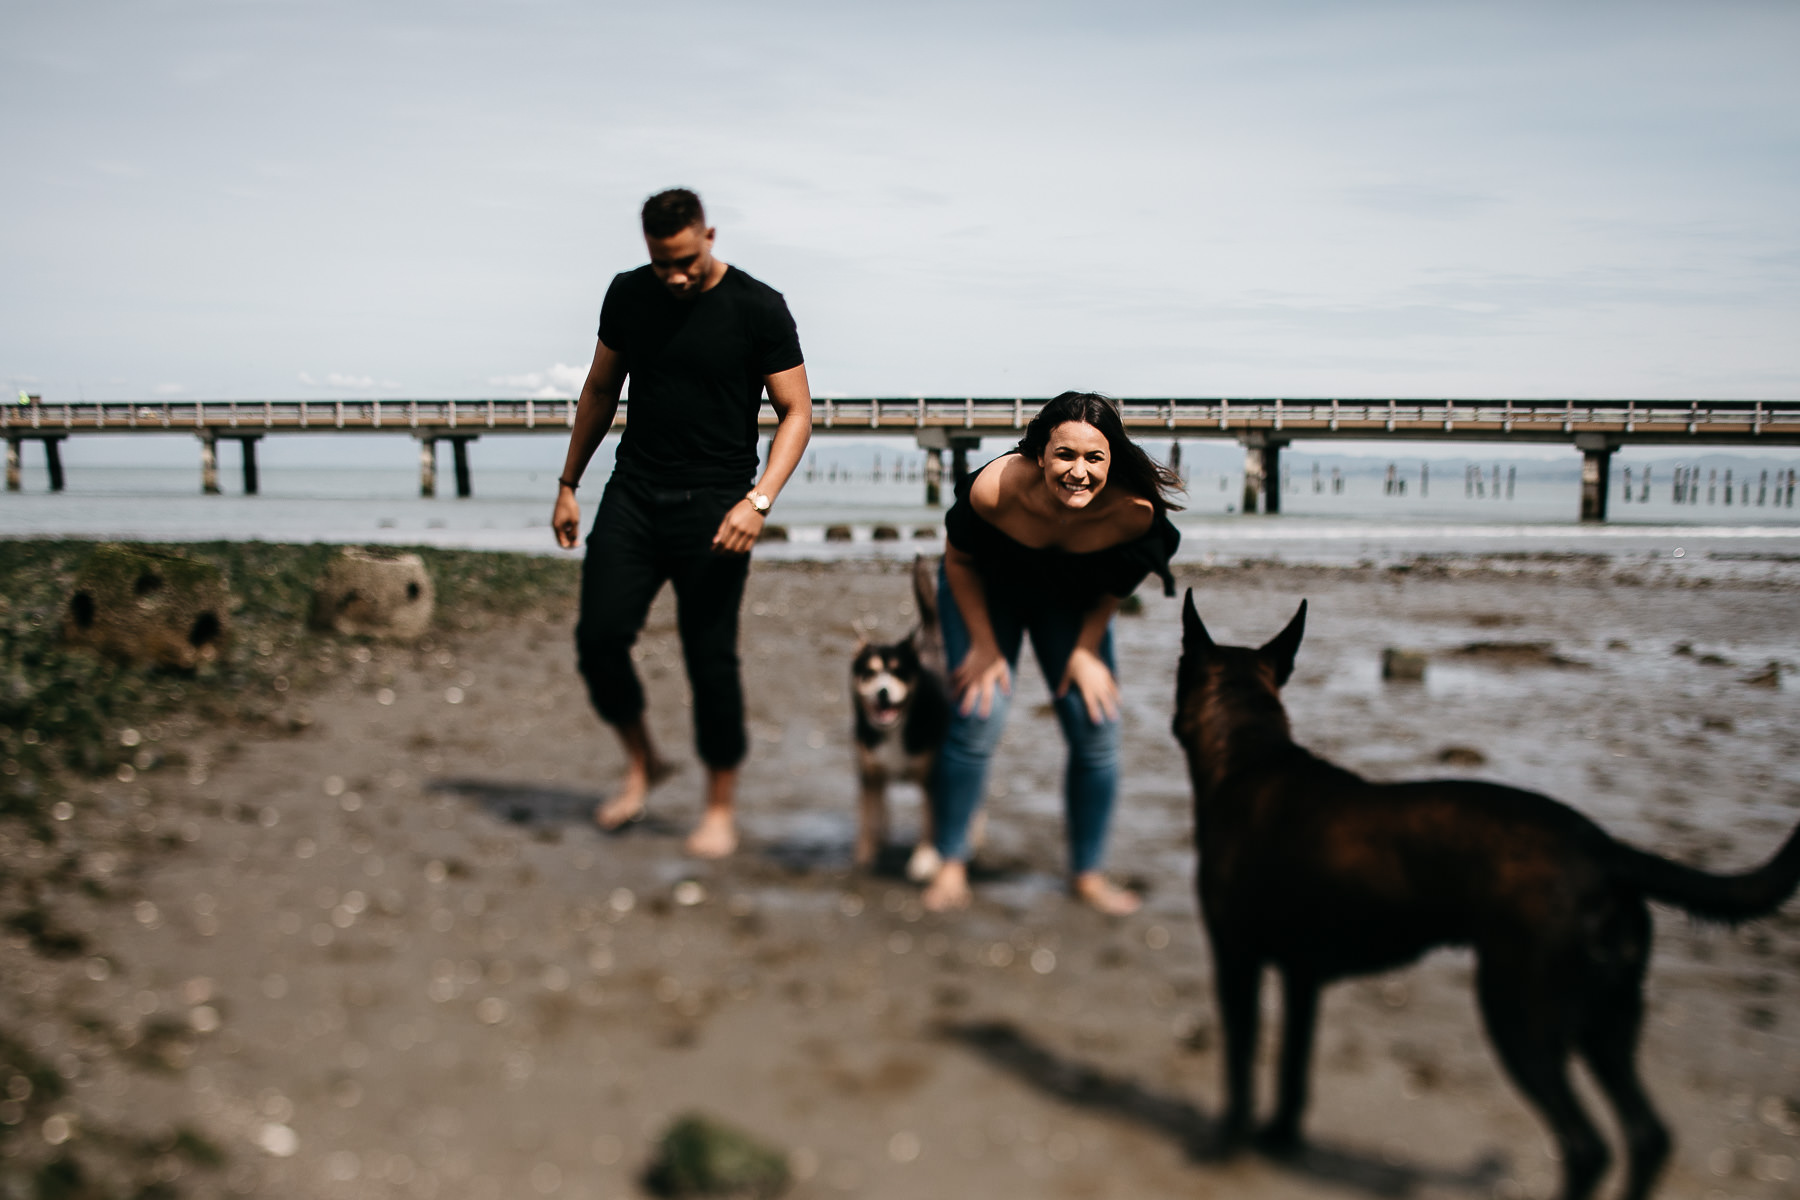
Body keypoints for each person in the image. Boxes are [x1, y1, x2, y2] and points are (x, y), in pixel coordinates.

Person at [552, 188, 812, 859]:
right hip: (634, 495)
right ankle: (644, 762)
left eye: (687, 261)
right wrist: (568, 484)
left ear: (710, 236)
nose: (675, 276)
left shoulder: (758, 306)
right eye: (662, 262)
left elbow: (796, 412)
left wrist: (758, 502)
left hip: (718, 504)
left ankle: (718, 806)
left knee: (710, 659)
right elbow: (602, 388)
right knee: (599, 639)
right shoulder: (629, 294)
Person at [924, 391, 1182, 913]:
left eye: (1094, 458)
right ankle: (950, 861)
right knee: (979, 713)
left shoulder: (1132, 513)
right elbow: (959, 562)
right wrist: (984, 645)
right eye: (1065, 455)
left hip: (1067, 603)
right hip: (984, 593)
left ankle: (1087, 874)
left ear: (1113, 459)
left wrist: (1086, 649)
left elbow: (1118, 583)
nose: (1078, 472)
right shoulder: (995, 489)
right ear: (1039, 453)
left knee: (1098, 725)